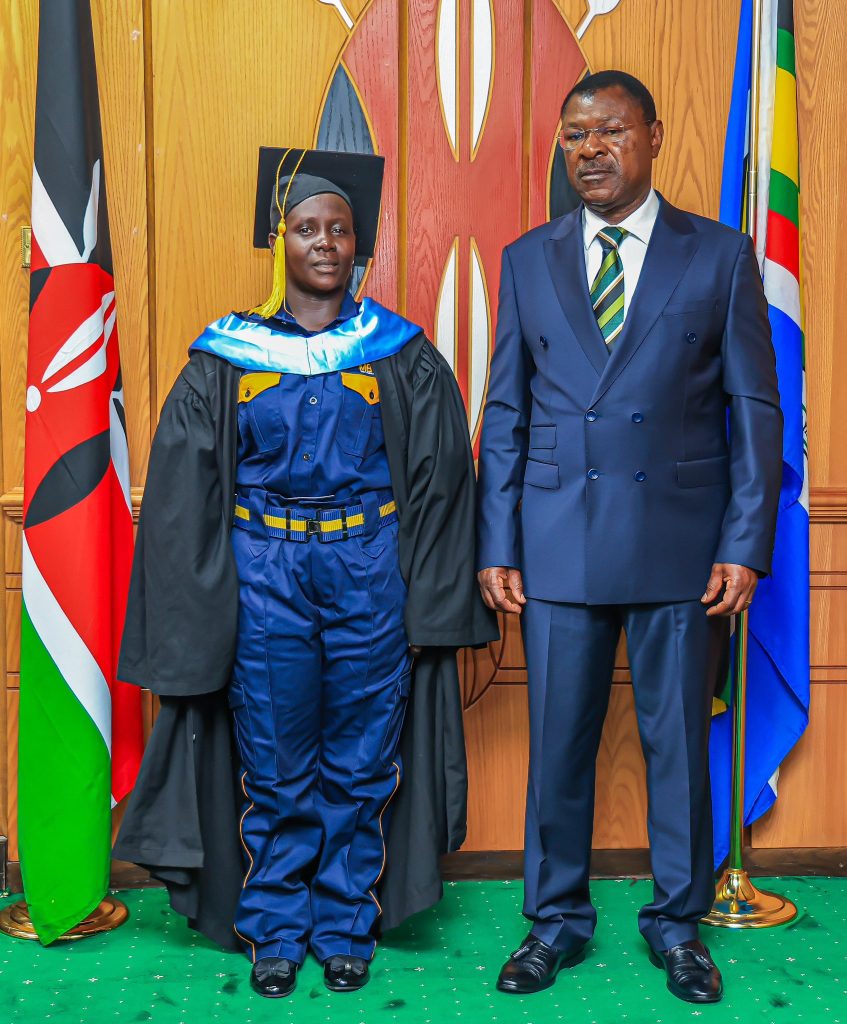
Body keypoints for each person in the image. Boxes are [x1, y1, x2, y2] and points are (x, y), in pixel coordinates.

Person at [114, 147, 497, 998]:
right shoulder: (228, 355)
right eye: (305, 228)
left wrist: (431, 591)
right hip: (264, 570)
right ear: (278, 242)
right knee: (277, 756)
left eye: (338, 230)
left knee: (361, 758)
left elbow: (441, 477)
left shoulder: (397, 352)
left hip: (370, 566)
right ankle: (277, 927)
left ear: (357, 246)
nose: (322, 242)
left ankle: (343, 921)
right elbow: (185, 489)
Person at [476, 71, 782, 1004]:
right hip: (556, 540)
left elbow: (755, 412)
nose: (589, 151)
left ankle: (678, 926)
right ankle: (554, 922)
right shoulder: (527, 259)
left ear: (651, 137)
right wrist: (499, 543)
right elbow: (505, 411)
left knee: (676, 747)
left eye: (609, 132)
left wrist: (743, 542)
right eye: (573, 136)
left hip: (679, 546)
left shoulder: (720, 257)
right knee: (557, 747)